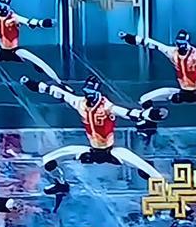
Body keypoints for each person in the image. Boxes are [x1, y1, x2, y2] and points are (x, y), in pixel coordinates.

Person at [21, 75, 167, 211]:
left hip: (111, 151)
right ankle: (61, 184)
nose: (89, 96)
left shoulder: (107, 107)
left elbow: (130, 113)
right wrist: (31, 84)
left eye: (91, 92)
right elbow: (57, 92)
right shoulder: (80, 103)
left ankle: (170, 200)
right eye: (87, 92)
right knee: (48, 160)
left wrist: (150, 114)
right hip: (91, 150)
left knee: (151, 173)